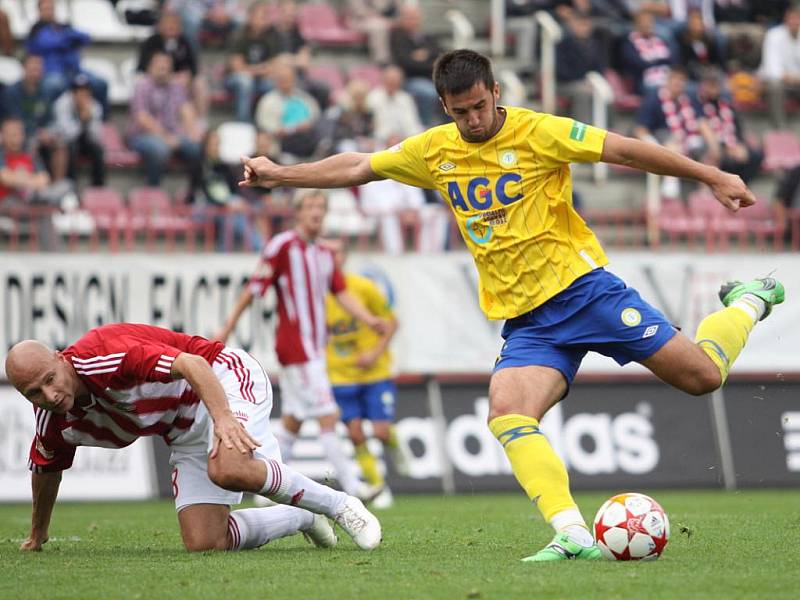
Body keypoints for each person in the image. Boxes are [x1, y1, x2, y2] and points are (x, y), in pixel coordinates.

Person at [237, 48, 786, 562]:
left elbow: (622, 149)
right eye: (461, 112)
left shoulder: (538, 132)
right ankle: (571, 532)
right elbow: (360, 166)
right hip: (529, 322)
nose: (473, 120)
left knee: (703, 376)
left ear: (496, 92)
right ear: (445, 108)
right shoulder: (435, 151)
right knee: (507, 413)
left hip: (586, 292)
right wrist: (280, 173)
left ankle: (746, 302)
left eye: (480, 106)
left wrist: (711, 174)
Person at [6, 322, 381, 553]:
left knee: (227, 467)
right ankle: (300, 517)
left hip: (223, 378)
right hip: (183, 429)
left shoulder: (103, 355)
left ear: (59, 358)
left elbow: (192, 364)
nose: (49, 396)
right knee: (205, 542)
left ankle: (340, 504)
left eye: (50, 380)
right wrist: (38, 534)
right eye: (34, 393)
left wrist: (223, 420)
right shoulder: (53, 422)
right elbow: (46, 470)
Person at [214, 189, 388, 502]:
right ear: (298, 212)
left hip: (316, 348)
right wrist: (227, 327)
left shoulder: (323, 252)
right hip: (297, 347)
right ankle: (354, 488)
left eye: (321, 206)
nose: (316, 212)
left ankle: (263, 490)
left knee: (293, 420)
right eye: (310, 205)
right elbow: (254, 288)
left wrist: (369, 319)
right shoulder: (282, 246)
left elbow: (342, 293)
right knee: (328, 415)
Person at [324, 240, 407, 509]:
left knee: (381, 431)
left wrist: (374, 352)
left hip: (375, 371)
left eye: (337, 252)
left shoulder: (363, 288)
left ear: (345, 257)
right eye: (327, 253)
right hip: (339, 375)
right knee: (356, 433)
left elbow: (392, 323)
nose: (332, 258)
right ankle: (378, 487)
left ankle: (394, 445)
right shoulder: (315, 295)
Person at [127, 51, 203, 186]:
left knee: (196, 148)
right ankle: (153, 189)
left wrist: (192, 131)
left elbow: (186, 109)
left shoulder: (176, 87)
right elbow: (142, 118)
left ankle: (192, 192)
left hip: (173, 135)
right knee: (159, 149)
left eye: (166, 68)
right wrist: (166, 137)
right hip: (144, 135)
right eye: (159, 67)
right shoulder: (142, 86)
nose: (163, 71)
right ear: (150, 68)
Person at [52, 73, 106, 187]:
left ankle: (98, 188)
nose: (83, 95)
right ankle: (72, 186)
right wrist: (81, 121)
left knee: (98, 150)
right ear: (72, 93)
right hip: (66, 141)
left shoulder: (95, 106)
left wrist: (89, 119)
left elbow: (96, 137)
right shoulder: (62, 104)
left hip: (86, 140)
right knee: (70, 148)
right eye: (79, 91)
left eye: (86, 92)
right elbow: (66, 134)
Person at [759, 4, 800, 127]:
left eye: (798, 18)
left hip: (797, 83)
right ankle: (779, 127)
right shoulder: (773, 35)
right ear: (786, 19)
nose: (795, 21)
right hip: (775, 82)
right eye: (792, 18)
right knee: (775, 86)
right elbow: (772, 69)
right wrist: (791, 78)